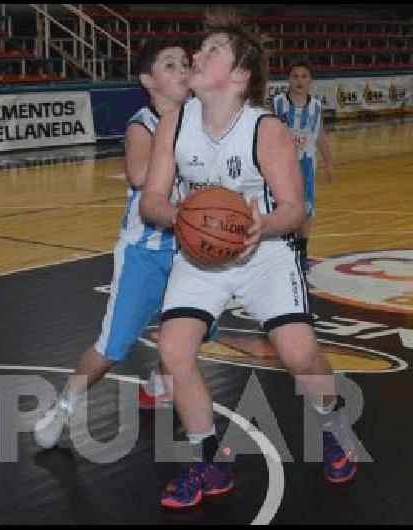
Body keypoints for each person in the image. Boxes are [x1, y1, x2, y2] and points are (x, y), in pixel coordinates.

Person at [139, 22, 358, 509]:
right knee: (174, 352)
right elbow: (150, 200)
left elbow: (294, 209)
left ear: (239, 74)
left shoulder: (267, 129)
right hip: (201, 253)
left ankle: (331, 422)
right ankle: (209, 460)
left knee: (299, 354)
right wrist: (178, 215)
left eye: (212, 49)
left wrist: (263, 226)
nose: (197, 53)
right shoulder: (175, 122)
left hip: (264, 251)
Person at [33, 42, 191, 449]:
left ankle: (156, 381)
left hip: (190, 252)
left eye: (186, 64)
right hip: (144, 253)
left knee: (190, 333)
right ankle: (64, 406)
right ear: (148, 81)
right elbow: (140, 175)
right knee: (112, 347)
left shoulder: (202, 121)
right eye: (170, 64)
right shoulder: (143, 125)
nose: (183, 70)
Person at [272, 60, 334, 272]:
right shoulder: (278, 103)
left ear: (311, 81)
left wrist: (329, 164)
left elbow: (321, 136)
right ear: (288, 80)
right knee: (283, 207)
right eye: (295, 76)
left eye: (304, 76)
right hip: (281, 165)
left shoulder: (316, 106)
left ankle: (302, 251)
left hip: (306, 164)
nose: (299, 80)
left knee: (307, 211)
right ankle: (285, 250)